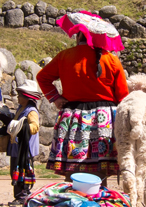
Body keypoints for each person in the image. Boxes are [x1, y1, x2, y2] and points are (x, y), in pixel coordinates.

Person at [37, 11, 129, 182]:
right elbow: (123, 95)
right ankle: (98, 199)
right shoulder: (112, 60)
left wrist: (56, 98)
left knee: (74, 166)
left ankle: (73, 202)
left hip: (73, 117)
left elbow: (42, 77)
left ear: (79, 35)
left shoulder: (65, 56)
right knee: (100, 168)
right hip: (104, 120)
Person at [0, 80, 42, 207]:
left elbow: (35, 127)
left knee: (23, 171)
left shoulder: (31, 111)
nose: (18, 97)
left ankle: (23, 195)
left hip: (24, 149)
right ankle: (19, 195)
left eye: (20, 95)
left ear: (27, 97)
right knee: (16, 170)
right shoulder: (22, 108)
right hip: (17, 147)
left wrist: (22, 127)